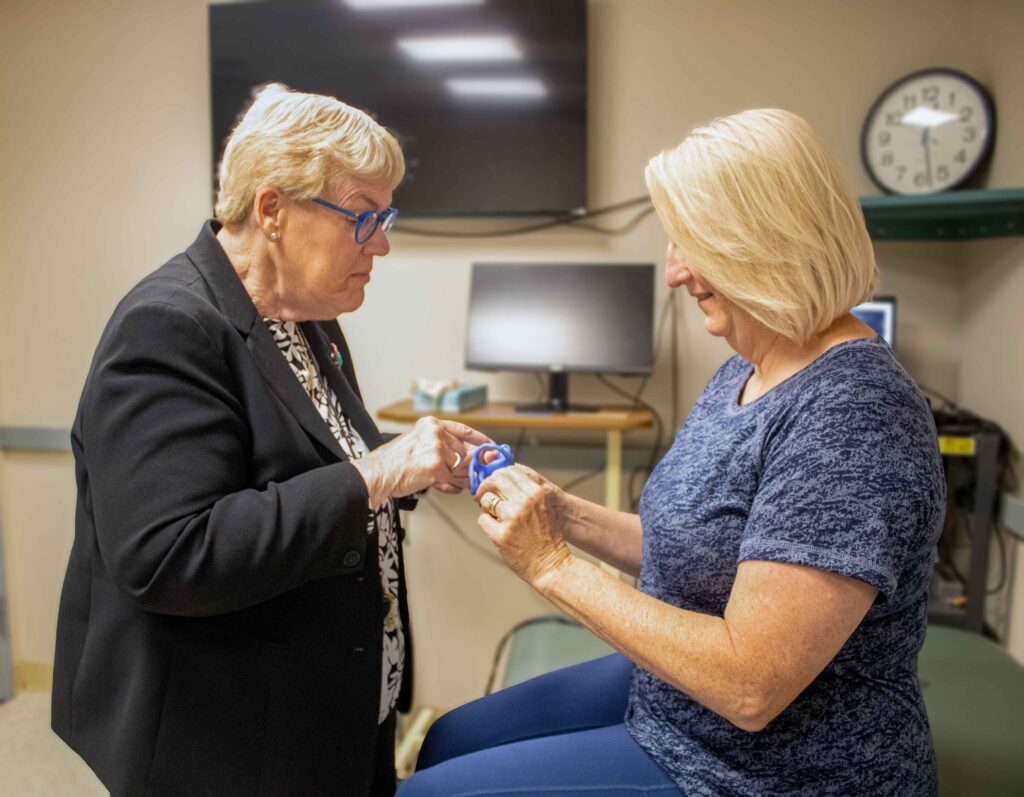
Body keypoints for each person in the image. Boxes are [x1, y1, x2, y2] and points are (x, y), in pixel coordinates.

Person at [398, 109, 946, 796]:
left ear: (767, 239)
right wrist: (560, 511)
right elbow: (692, 542)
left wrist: (551, 564)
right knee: (448, 739)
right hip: (678, 706)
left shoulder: (854, 411)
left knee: (425, 793)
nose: (674, 271)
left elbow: (751, 684)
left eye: (692, 241)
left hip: (775, 769)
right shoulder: (747, 365)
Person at [52, 83, 490, 797]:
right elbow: (170, 554)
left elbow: (314, 462)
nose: (381, 241)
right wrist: (378, 473)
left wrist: (414, 467)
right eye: (364, 216)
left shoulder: (309, 316)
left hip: (327, 708)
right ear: (272, 210)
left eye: (387, 215)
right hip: (223, 741)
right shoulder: (169, 325)